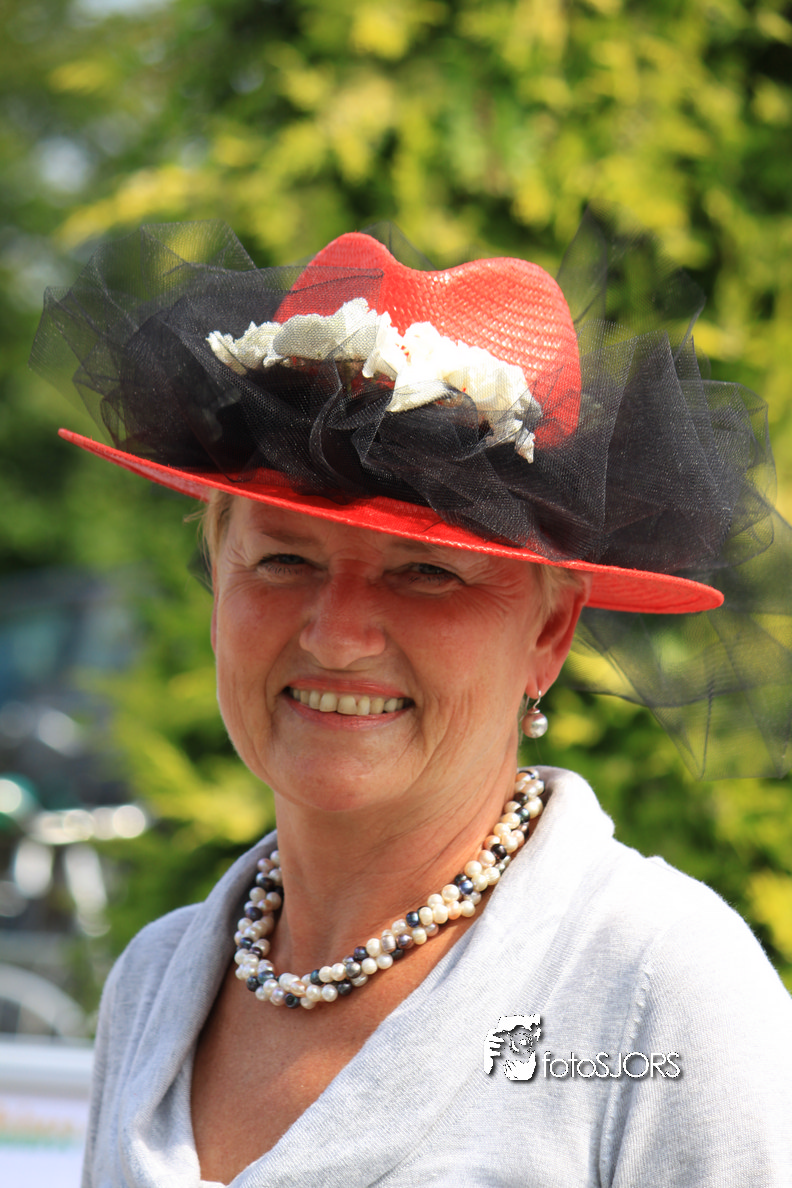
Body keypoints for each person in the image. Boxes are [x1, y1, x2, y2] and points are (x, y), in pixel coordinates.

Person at [31, 216, 792, 1186]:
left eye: (428, 572)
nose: (337, 634)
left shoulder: (658, 997)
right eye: (284, 559)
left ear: (549, 634)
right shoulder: (151, 983)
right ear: (217, 577)